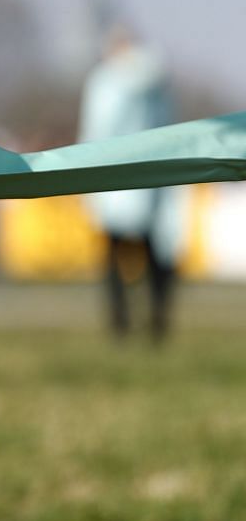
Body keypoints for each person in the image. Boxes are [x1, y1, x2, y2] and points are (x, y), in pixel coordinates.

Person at [78, 25, 178, 340]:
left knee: (113, 256)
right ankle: (157, 320)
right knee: (155, 254)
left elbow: (97, 128)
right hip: (151, 177)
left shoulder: (105, 81)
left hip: (113, 179)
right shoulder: (157, 81)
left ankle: (119, 323)